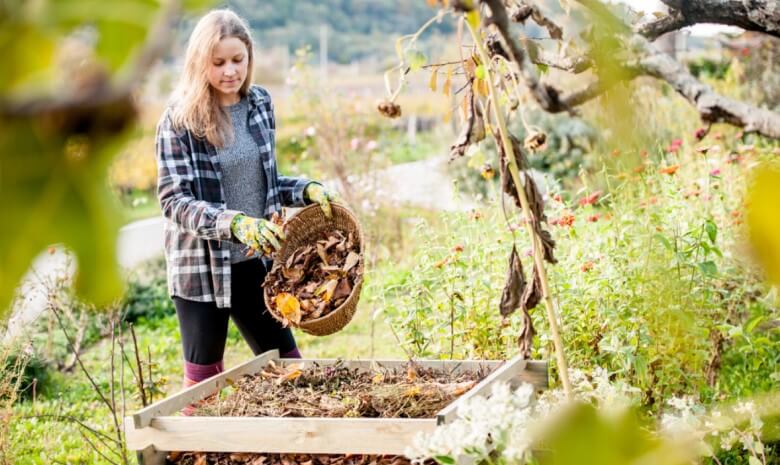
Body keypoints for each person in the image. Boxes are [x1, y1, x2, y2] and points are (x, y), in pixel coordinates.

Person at [154, 9, 337, 395]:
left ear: (249, 57)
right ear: (199, 62)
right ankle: (185, 453)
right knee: (203, 386)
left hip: (256, 264)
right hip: (202, 271)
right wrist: (235, 224)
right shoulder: (179, 120)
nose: (229, 71)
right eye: (217, 62)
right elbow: (174, 200)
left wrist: (306, 190)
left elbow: (265, 182)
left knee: (290, 371)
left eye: (238, 60)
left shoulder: (259, 104)